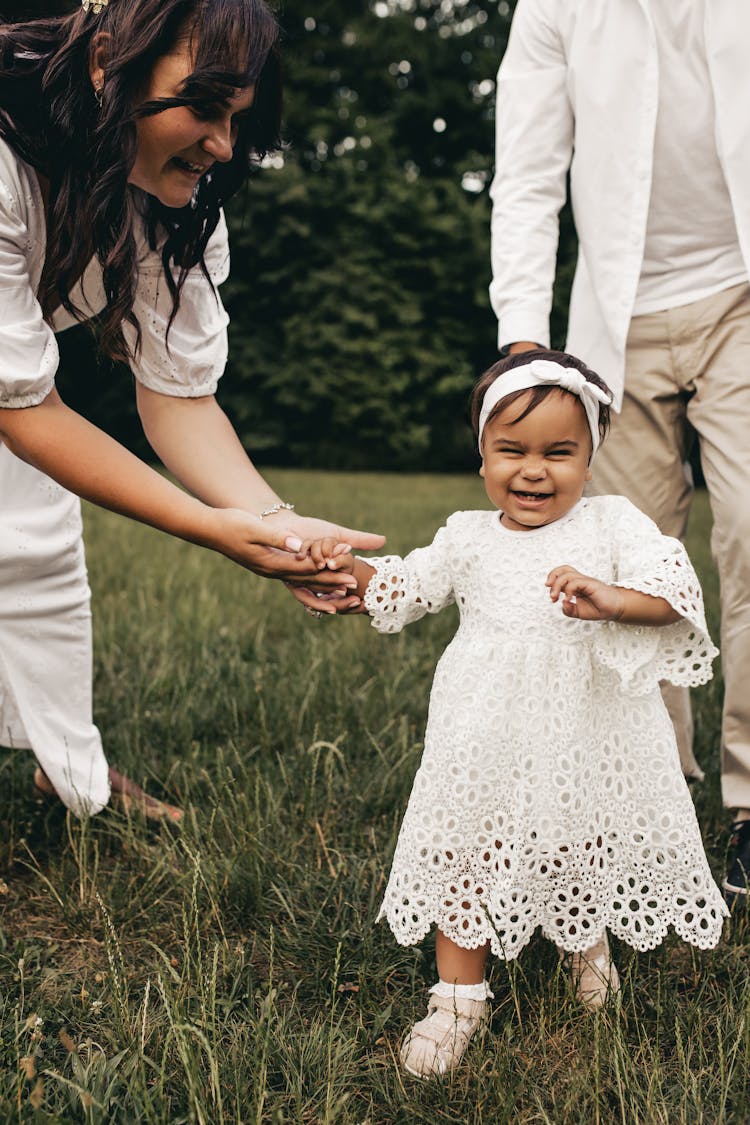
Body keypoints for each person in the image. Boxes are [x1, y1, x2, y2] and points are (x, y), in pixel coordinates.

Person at [299, 351, 727, 1078]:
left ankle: (582, 941)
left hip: (582, 729)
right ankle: (457, 997)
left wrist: (611, 597)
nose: (535, 469)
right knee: (466, 849)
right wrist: (346, 567)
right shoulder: (467, 534)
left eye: (560, 452)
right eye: (512, 450)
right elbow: (404, 585)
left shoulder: (612, 522)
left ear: (589, 459)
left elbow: (671, 592)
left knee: (576, 837)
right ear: (482, 458)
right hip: (483, 731)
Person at [0, 0, 378, 820]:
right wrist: (207, 528)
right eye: (204, 107)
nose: (223, 144)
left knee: (39, 554)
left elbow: (179, 399)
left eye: (237, 119)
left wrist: (281, 526)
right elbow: (24, 410)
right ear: (108, 62)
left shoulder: (174, 199)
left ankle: (70, 775)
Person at [489, 0, 750, 905]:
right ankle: (656, 795)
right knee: (632, 557)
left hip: (742, 296)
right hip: (615, 321)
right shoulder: (554, 9)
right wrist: (525, 341)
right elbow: (526, 175)